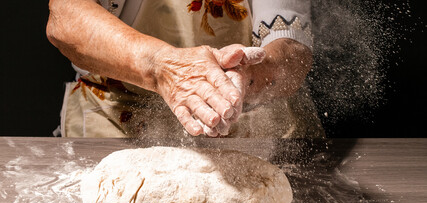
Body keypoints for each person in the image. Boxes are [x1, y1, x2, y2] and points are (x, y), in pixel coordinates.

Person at [46, 0, 324, 138]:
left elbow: (290, 46)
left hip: (252, 113)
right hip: (119, 118)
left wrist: (243, 77)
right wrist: (163, 68)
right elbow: (66, 18)